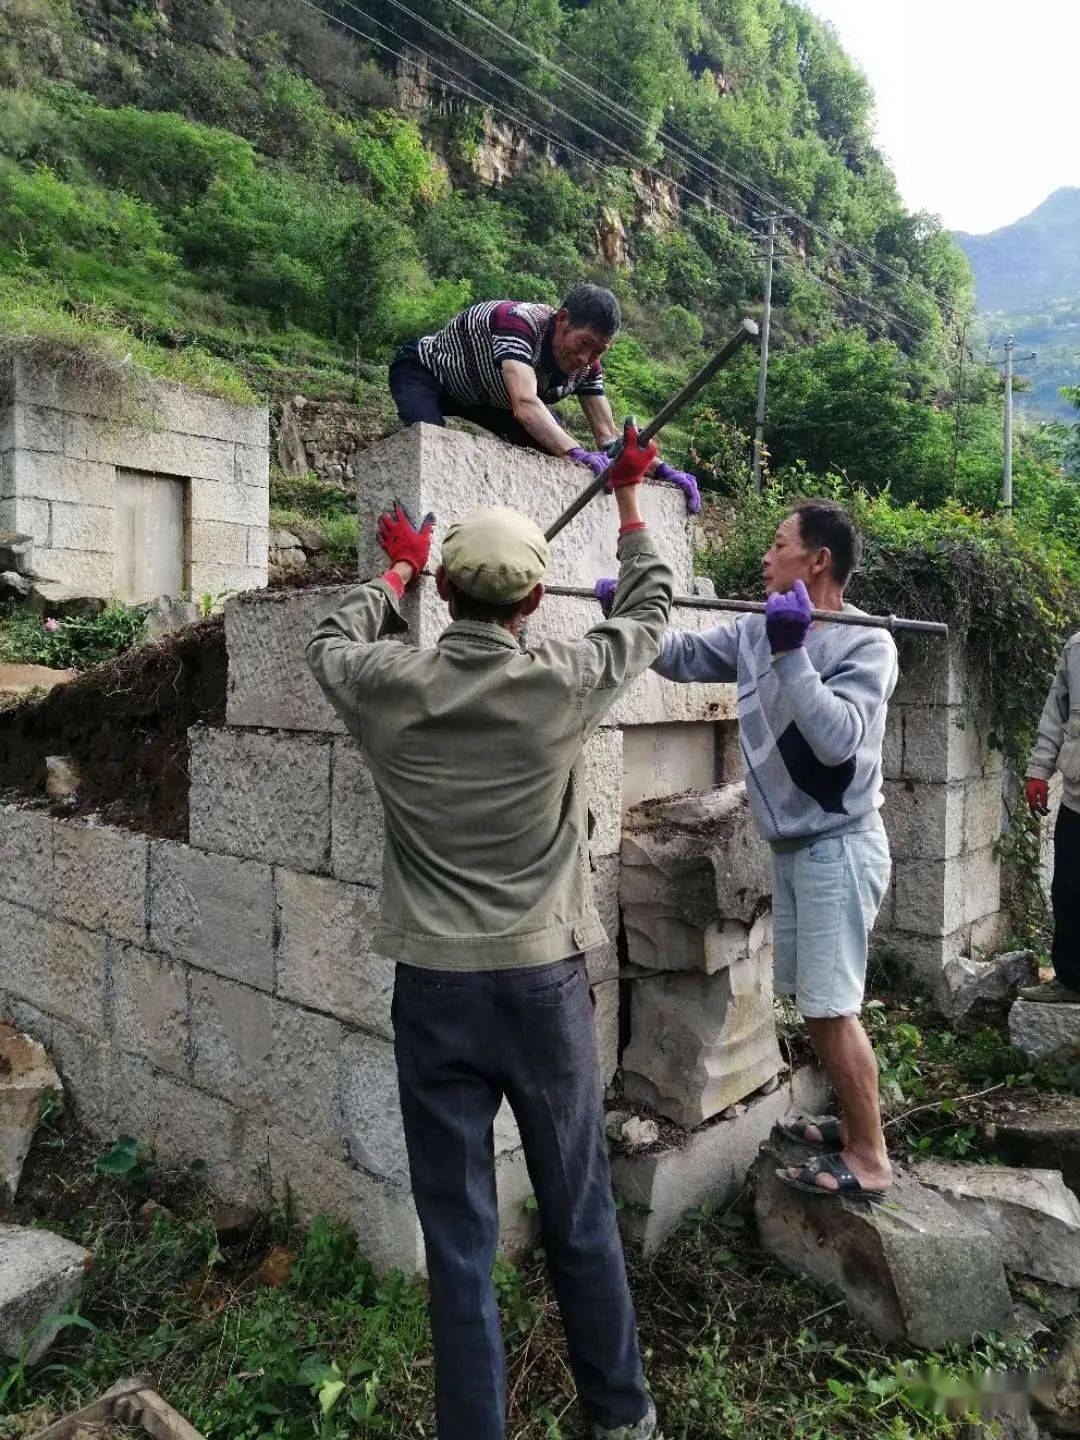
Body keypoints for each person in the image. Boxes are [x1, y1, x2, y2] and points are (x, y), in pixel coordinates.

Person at [305, 427, 672, 1440]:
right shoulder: (559, 684)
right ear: (528, 605)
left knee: (459, 1240)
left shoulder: (390, 686)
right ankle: (621, 1414)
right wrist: (629, 501)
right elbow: (648, 609)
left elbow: (328, 642)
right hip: (542, 988)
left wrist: (393, 571)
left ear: (449, 593)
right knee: (578, 1211)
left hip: (433, 990)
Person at [626, 499, 897, 1201]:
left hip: (840, 845)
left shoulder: (867, 644)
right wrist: (629, 615)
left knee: (833, 1010)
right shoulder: (756, 628)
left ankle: (870, 1159)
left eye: (778, 545)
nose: (764, 557)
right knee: (814, 1006)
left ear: (818, 562)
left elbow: (838, 742)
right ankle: (852, 1127)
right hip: (798, 848)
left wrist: (792, 652)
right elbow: (683, 659)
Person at [389, 282, 700, 512]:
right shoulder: (518, 323)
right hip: (428, 373)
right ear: (562, 319)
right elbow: (525, 405)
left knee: (553, 444)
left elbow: (609, 437)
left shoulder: (588, 367)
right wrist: (577, 454)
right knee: (431, 444)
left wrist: (661, 469)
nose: (585, 357)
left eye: (598, 351)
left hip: (491, 399)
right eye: (584, 343)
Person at [1020, 630, 1080, 1002]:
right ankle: (1071, 981)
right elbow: (1055, 715)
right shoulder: (1076, 649)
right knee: (1069, 889)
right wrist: (1039, 770)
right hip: (1076, 799)